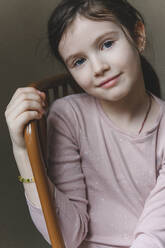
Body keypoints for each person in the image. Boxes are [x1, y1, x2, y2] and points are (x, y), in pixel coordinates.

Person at [4, 0, 165, 247]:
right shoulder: (68, 116)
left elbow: (155, 236)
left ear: (138, 36)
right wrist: (22, 151)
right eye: (79, 61)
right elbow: (67, 235)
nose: (99, 68)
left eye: (107, 44)